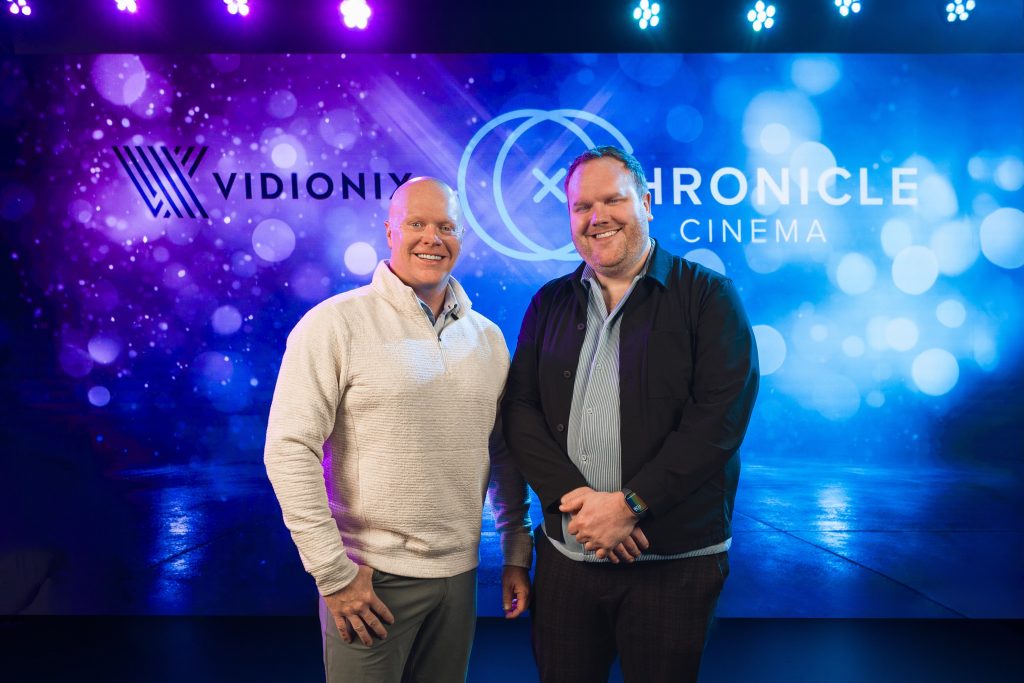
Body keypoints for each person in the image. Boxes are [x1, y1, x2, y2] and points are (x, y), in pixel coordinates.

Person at [502, 147, 759, 682]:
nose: (597, 217)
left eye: (613, 200)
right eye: (581, 207)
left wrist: (631, 504)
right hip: (569, 555)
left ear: (645, 203)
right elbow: (521, 410)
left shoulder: (709, 296)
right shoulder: (548, 303)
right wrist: (577, 504)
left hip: (675, 561)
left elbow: (720, 421)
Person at [265, 177, 533, 683]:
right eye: (417, 224)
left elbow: (503, 453)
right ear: (389, 230)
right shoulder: (334, 325)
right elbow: (288, 449)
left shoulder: (489, 339)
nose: (432, 237)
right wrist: (333, 575)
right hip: (369, 581)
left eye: (446, 226)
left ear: (461, 238)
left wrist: (517, 549)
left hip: (459, 577)